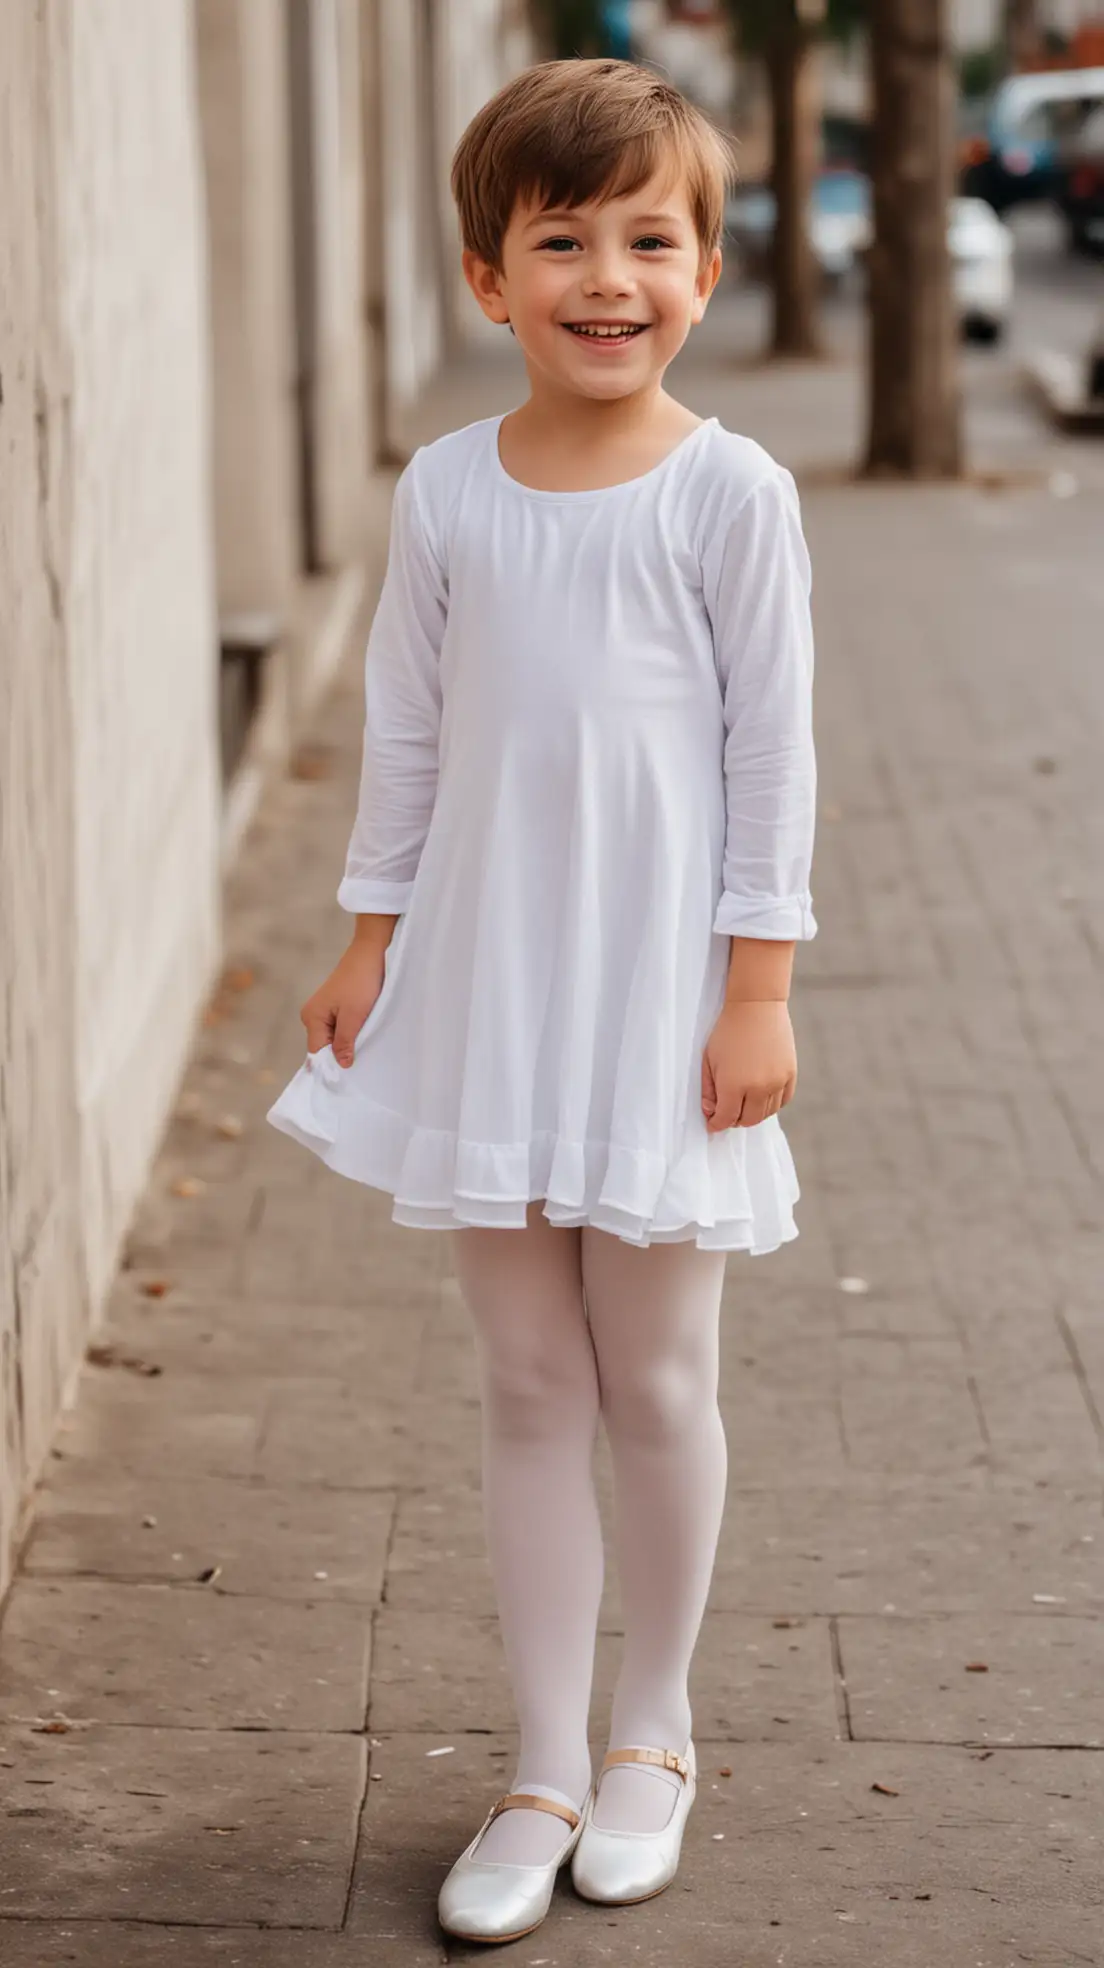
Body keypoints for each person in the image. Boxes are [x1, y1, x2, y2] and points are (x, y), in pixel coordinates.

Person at [267, 57, 817, 1948]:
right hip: (497, 983)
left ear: (708, 265)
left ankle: (654, 1736)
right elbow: (406, 738)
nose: (608, 276)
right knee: (523, 1379)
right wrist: (371, 939)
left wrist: (760, 989)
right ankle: (543, 1762)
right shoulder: (445, 490)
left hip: (662, 992)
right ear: (491, 280)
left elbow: (775, 755)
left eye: (647, 238)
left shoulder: (730, 493)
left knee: (654, 1373)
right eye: (560, 239)